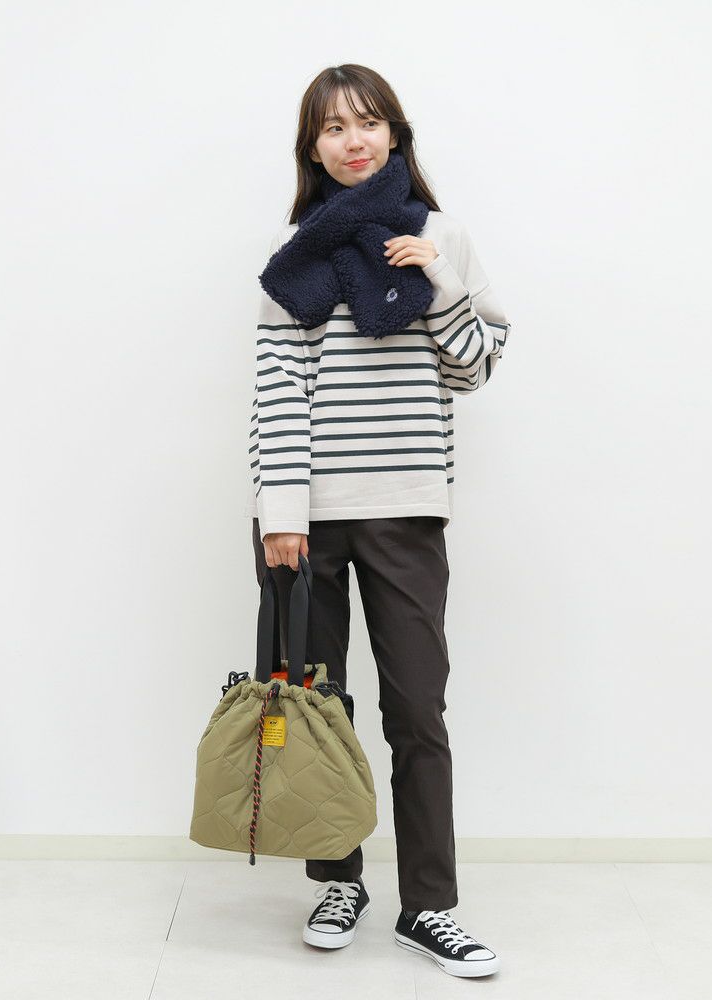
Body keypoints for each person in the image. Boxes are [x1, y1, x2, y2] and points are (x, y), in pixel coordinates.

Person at [244, 63, 511, 979]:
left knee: (417, 710)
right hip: (307, 518)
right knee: (321, 709)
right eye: (333, 128)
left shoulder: (441, 236)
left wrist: (437, 279)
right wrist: (281, 514)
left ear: (395, 133)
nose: (352, 140)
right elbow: (278, 388)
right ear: (312, 147)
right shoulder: (296, 253)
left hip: (407, 513)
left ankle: (429, 907)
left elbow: (473, 369)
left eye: (367, 122)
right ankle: (337, 881)